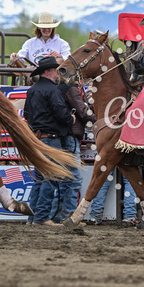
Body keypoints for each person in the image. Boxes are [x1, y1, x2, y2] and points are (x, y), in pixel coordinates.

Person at [23, 56, 75, 226]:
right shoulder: (52, 91)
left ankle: (33, 217)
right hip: (51, 139)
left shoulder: (32, 90)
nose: (57, 74)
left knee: (39, 178)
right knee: (50, 177)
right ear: (48, 72)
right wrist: (71, 119)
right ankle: (42, 217)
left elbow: (26, 115)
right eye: (55, 70)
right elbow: (61, 114)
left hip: (37, 138)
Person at [51, 83, 96, 223]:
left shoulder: (61, 88)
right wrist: (102, 117)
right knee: (74, 178)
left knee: (65, 178)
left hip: (64, 134)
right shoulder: (71, 89)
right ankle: (68, 215)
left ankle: (57, 215)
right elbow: (83, 112)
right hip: (71, 135)